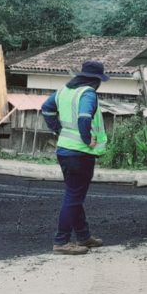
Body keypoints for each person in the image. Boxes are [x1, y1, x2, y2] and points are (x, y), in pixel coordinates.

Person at [41, 61, 109, 255]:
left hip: (64, 149)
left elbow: (46, 108)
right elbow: (84, 117)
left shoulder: (63, 91)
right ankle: (61, 241)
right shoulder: (87, 93)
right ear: (95, 80)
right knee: (73, 196)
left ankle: (83, 236)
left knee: (74, 195)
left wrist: (58, 130)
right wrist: (87, 139)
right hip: (80, 152)